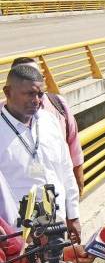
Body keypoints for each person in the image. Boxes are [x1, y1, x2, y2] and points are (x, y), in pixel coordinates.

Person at [0, 65, 81, 239]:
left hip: (56, 224)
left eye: (40, 94)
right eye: (29, 94)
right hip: (18, 232)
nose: (36, 100)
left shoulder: (49, 120)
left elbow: (66, 169)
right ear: (8, 92)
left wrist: (73, 215)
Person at [10, 57, 85, 196]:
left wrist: (78, 180)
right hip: (20, 198)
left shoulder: (57, 104)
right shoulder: (5, 115)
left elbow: (73, 142)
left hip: (57, 191)